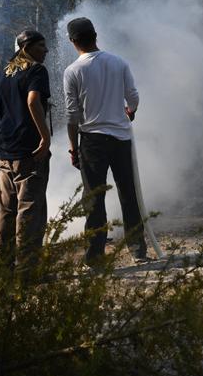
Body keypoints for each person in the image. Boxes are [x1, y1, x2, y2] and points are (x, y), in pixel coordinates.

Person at [62, 17, 146, 264]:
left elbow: (72, 115)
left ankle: (95, 255)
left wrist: (72, 147)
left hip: (92, 141)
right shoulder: (118, 62)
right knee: (128, 193)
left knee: (94, 198)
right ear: (95, 35)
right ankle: (137, 248)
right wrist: (130, 111)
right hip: (121, 138)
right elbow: (133, 97)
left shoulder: (73, 71)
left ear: (72, 41)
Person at [0, 29, 51, 265]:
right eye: (41, 46)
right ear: (25, 48)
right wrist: (45, 138)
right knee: (29, 210)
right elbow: (32, 100)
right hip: (28, 151)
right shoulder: (37, 70)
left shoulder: (5, 71)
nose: (46, 51)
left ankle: (2, 266)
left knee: (7, 209)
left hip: (5, 150)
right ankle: (27, 269)